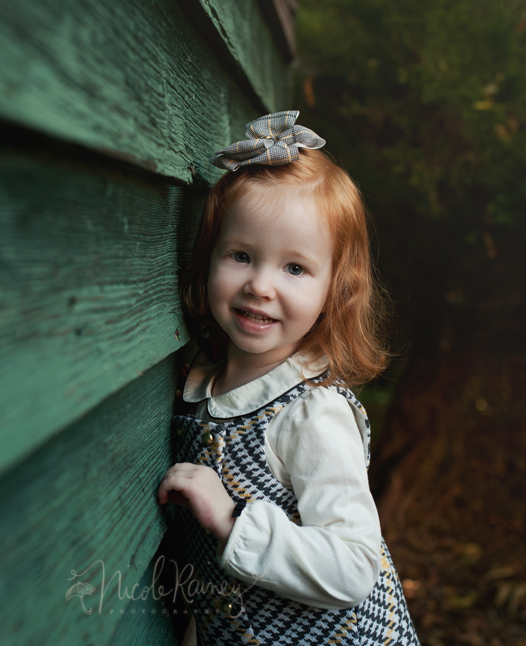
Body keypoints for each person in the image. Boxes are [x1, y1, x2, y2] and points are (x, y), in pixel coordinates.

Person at [156, 111, 419, 645]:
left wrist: (232, 521)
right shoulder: (199, 382)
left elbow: (352, 565)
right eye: (242, 256)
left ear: (334, 289)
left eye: (294, 268)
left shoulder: (312, 414)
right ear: (208, 260)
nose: (260, 285)